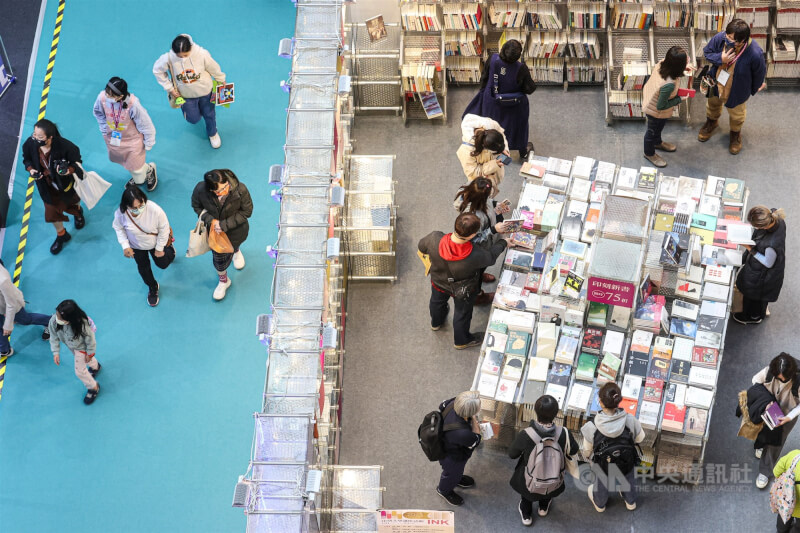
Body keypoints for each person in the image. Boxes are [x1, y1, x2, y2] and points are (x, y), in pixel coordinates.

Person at [418, 213, 508, 348]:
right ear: (472, 235)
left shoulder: (434, 238)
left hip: (438, 282)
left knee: (436, 302)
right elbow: (490, 258)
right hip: (463, 288)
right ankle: (462, 340)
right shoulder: (475, 254)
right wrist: (503, 242)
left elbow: (421, 247)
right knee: (462, 313)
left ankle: (436, 323)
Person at [698, 18, 767, 154]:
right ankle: (711, 122)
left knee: (737, 114)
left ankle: (735, 133)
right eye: (727, 36)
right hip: (716, 82)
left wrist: (752, 90)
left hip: (737, 89)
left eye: (732, 39)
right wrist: (720, 59)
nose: (728, 40)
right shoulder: (720, 37)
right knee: (712, 103)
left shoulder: (754, 53)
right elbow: (707, 52)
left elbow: (759, 74)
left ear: (742, 41)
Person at [508, 394, 578, 526]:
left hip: (530, 478)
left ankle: (526, 514)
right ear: (556, 413)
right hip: (554, 476)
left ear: (536, 411)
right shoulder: (563, 433)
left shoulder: (526, 434)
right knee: (548, 492)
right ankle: (543, 508)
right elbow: (573, 450)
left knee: (527, 496)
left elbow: (512, 454)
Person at [21, 119, 86, 255]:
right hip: (46, 186)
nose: (35, 139)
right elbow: (26, 159)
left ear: (50, 137)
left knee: (73, 201)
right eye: (34, 135)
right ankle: (62, 235)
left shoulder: (66, 146)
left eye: (40, 137)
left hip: (65, 183)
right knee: (51, 212)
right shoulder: (30, 144)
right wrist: (31, 169)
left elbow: (77, 162)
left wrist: (69, 170)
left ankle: (78, 214)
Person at [463, 39, 536, 160]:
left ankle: (489, 147)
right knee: (518, 128)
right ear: (518, 56)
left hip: (491, 102)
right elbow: (529, 89)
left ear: (502, 49)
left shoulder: (493, 59)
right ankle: (522, 151)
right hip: (513, 106)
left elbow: (484, 77)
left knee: (490, 125)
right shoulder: (521, 68)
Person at [581, 382, 645, 512]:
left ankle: (600, 504)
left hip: (603, 466)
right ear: (618, 400)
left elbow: (587, 452)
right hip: (626, 461)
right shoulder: (630, 420)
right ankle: (630, 501)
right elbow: (640, 438)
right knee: (628, 478)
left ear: (600, 402)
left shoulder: (591, 426)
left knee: (601, 483)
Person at [153, 34, 226, 148]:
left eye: (185, 55)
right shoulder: (168, 58)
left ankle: (213, 133)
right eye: (179, 56)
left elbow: (214, 68)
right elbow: (157, 71)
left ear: (191, 49)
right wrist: (170, 88)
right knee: (193, 119)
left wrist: (221, 80)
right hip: (185, 95)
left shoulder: (202, 54)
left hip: (206, 92)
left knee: (209, 114)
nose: (182, 58)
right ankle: (198, 111)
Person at [191, 169, 253, 300]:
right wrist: (211, 221)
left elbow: (246, 211)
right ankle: (224, 281)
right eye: (219, 191)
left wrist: (224, 225)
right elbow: (197, 206)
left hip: (236, 231)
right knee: (219, 262)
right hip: (215, 235)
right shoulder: (200, 190)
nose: (225, 191)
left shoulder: (240, 189)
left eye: (226, 186)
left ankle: (236, 251)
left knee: (235, 244)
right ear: (210, 190)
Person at [112, 186, 175, 307]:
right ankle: (153, 287)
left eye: (140, 205)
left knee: (163, 264)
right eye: (133, 208)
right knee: (143, 268)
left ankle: (170, 249)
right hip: (136, 246)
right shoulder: (121, 214)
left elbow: (164, 229)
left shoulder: (155, 210)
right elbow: (118, 228)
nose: (138, 209)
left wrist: (160, 248)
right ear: (126, 206)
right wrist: (125, 245)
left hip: (155, 243)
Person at [92, 77, 158, 191]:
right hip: (113, 138)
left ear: (121, 97)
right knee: (126, 163)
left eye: (111, 95)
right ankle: (140, 173)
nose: (107, 96)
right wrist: (104, 128)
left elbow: (145, 123)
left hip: (132, 141)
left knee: (136, 168)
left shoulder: (133, 104)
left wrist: (149, 141)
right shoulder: (102, 97)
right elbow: (98, 113)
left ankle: (149, 170)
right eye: (107, 92)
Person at [752, 353, 800, 489]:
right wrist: (766, 401)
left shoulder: (799, 381)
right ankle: (761, 445)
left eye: (782, 379)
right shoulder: (770, 371)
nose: (779, 380)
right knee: (762, 429)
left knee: (775, 443)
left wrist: (789, 417)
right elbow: (755, 380)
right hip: (770, 409)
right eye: (776, 377)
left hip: (786, 415)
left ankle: (765, 471)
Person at [453, 178, 511, 290]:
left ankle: (480, 273)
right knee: (477, 271)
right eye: (488, 196)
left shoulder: (475, 188)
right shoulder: (474, 218)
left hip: (487, 239)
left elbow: (487, 202)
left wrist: (495, 204)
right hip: (480, 248)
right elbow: (474, 240)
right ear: (480, 199)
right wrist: (493, 229)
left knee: (480, 269)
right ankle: (478, 293)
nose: (490, 197)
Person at [734, 206, 786, 325]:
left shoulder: (772, 244)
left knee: (754, 297)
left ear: (763, 226)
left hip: (764, 275)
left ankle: (753, 317)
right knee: (757, 296)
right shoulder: (777, 218)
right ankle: (757, 312)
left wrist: (750, 249)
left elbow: (768, 263)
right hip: (763, 271)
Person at [641, 46, 691, 168]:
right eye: (686, 61)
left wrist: (685, 68)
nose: (688, 60)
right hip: (655, 111)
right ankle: (649, 153)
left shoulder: (662, 63)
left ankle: (657, 143)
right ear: (678, 67)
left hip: (650, 98)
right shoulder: (668, 84)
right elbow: (661, 106)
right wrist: (679, 99)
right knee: (652, 131)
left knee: (658, 128)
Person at [48, 300, 101, 405]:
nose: (57, 318)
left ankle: (94, 387)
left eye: (60, 318)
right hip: (71, 345)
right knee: (86, 360)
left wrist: (90, 353)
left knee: (80, 372)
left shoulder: (81, 324)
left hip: (82, 348)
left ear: (70, 318)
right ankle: (95, 366)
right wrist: (56, 352)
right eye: (57, 315)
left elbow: (90, 339)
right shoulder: (54, 320)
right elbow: (53, 336)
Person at [436, 391, 482, 506]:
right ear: (469, 413)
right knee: (451, 473)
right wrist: (475, 423)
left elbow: (441, 406)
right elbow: (476, 439)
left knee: (456, 473)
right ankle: (444, 490)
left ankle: (457, 478)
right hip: (451, 457)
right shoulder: (462, 434)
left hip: (444, 443)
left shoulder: (453, 402)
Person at [0, 260, 50, 357]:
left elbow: (11, 304)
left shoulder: (2, 280)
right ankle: (4, 350)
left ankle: (51, 322)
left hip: (10, 304)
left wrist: (8, 324)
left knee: (26, 320)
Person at [456, 114, 510, 197]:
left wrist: (504, 148)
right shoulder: (466, 151)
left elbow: (501, 133)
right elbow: (474, 173)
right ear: (485, 148)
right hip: (483, 185)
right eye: (496, 152)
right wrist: (495, 164)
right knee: (485, 199)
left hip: (495, 176)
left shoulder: (491, 125)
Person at [773, 449, 800, 532]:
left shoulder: (795, 455)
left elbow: (776, 472)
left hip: (786, 503)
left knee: (783, 521)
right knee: (798, 527)